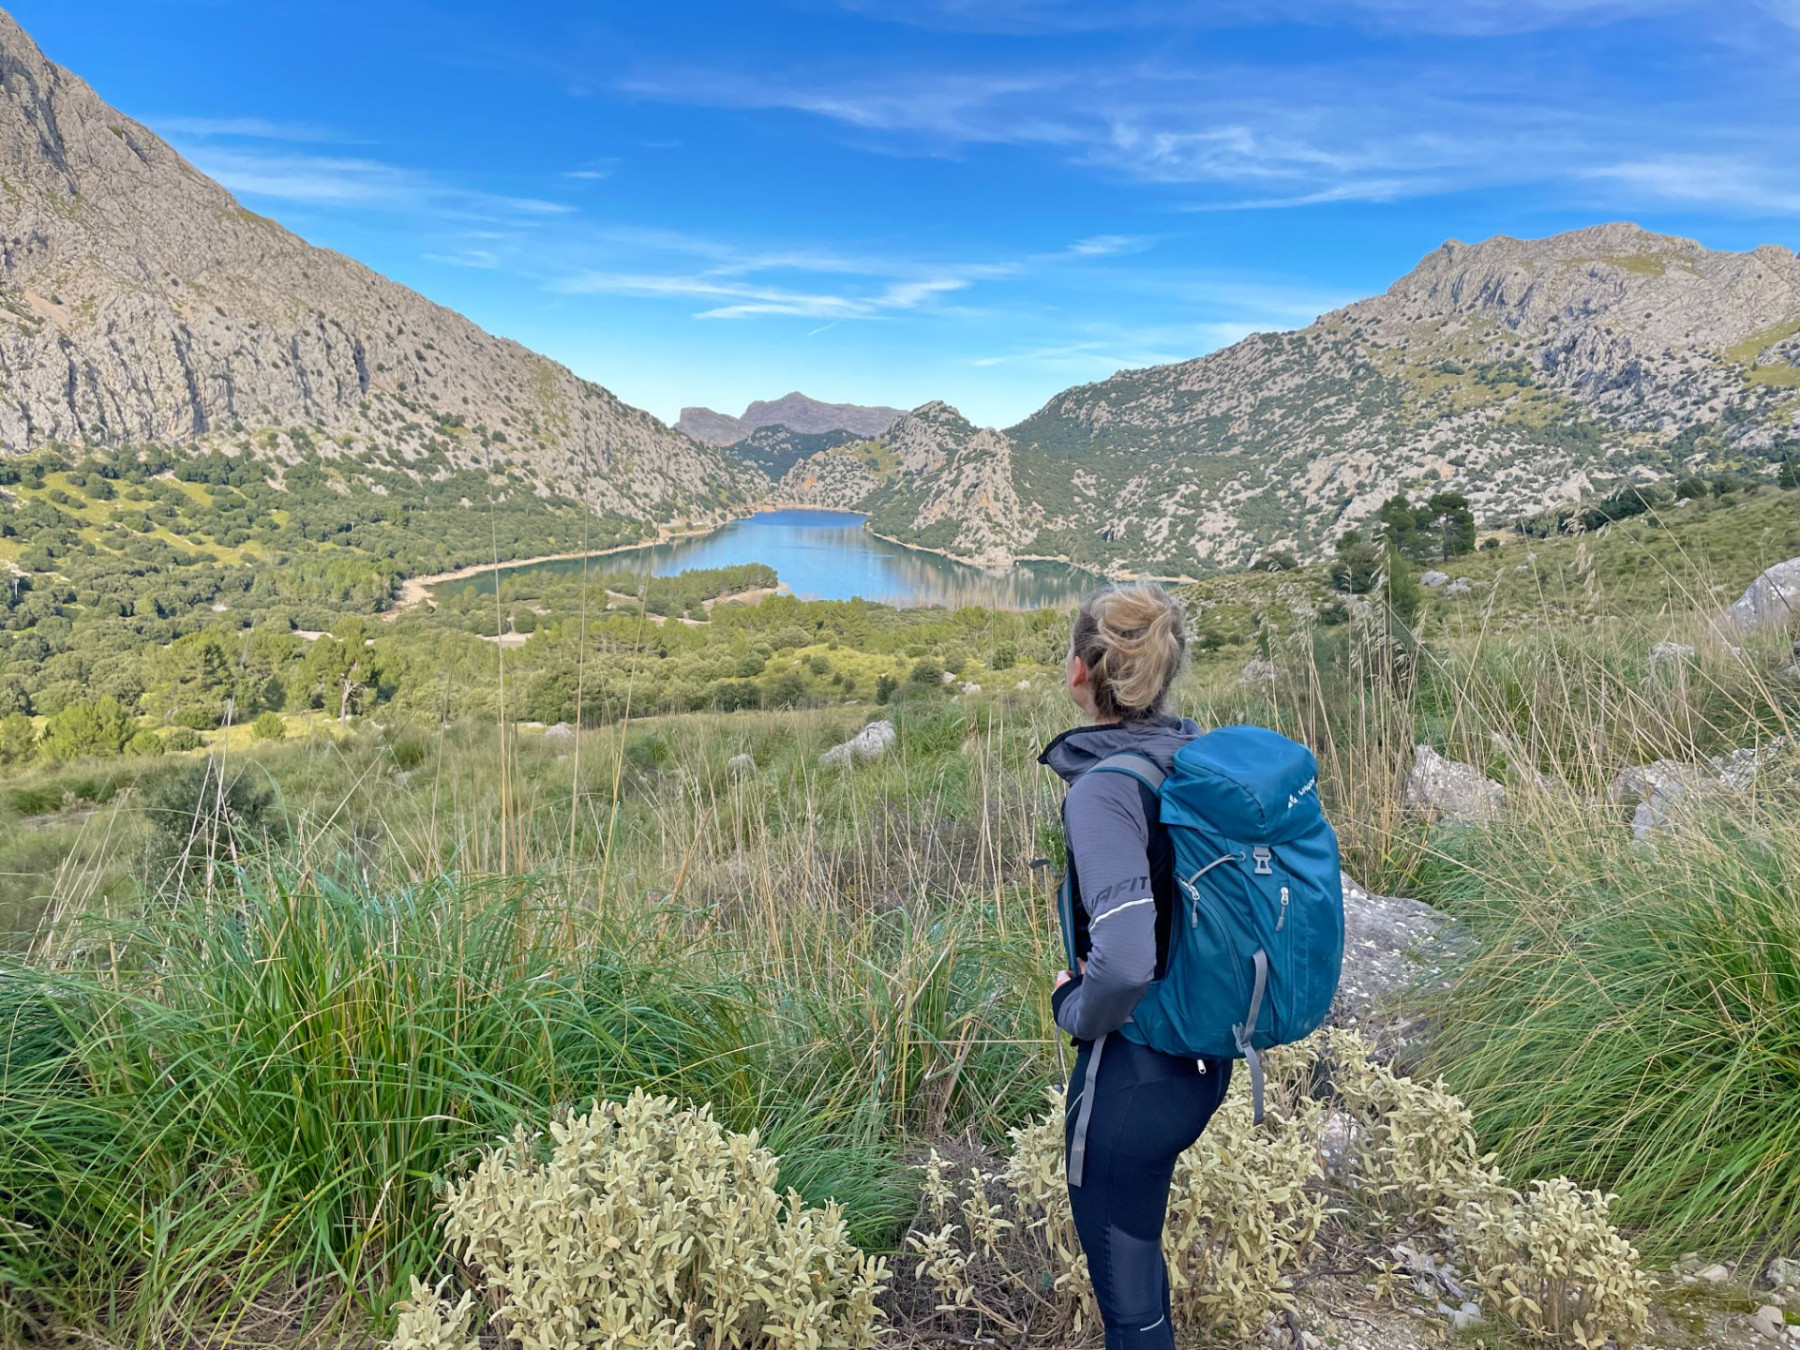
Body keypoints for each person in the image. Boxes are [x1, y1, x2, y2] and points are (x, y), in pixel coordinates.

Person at [1038, 581, 1231, 1350]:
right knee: (1143, 1289)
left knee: (1133, 1312)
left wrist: (1072, 1008)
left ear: (1083, 672)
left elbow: (1120, 963)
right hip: (1201, 1059)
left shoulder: (1102, 789)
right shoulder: (1191, 757)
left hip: (1133, 1078)